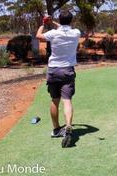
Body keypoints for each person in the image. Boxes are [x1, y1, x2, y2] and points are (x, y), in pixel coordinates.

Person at [36, 10, 80, 148]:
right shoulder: (76, 33)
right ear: (71, 21)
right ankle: (68, 126)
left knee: (55, 100)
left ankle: (56, 129)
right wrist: (53, 22)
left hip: (54, 70)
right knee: (67, 101)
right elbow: (65, 27)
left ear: (59, 20)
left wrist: (43, 23)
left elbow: (39, 36)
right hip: (68, 71)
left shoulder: (53, 33)